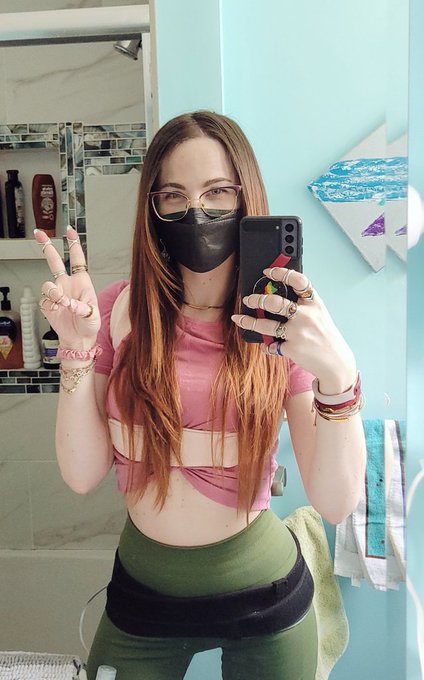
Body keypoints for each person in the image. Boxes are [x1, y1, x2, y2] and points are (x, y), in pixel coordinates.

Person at [34, 110, 366, 680]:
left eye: (217, 192)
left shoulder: (282, 322)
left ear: (245, 198)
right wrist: (76, 347)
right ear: (153, 209)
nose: (198, 212)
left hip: (263, 597)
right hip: (143, 599)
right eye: (174, 196)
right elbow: (82, 474)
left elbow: (335, 503)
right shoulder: (116, 312)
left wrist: (339, 375)